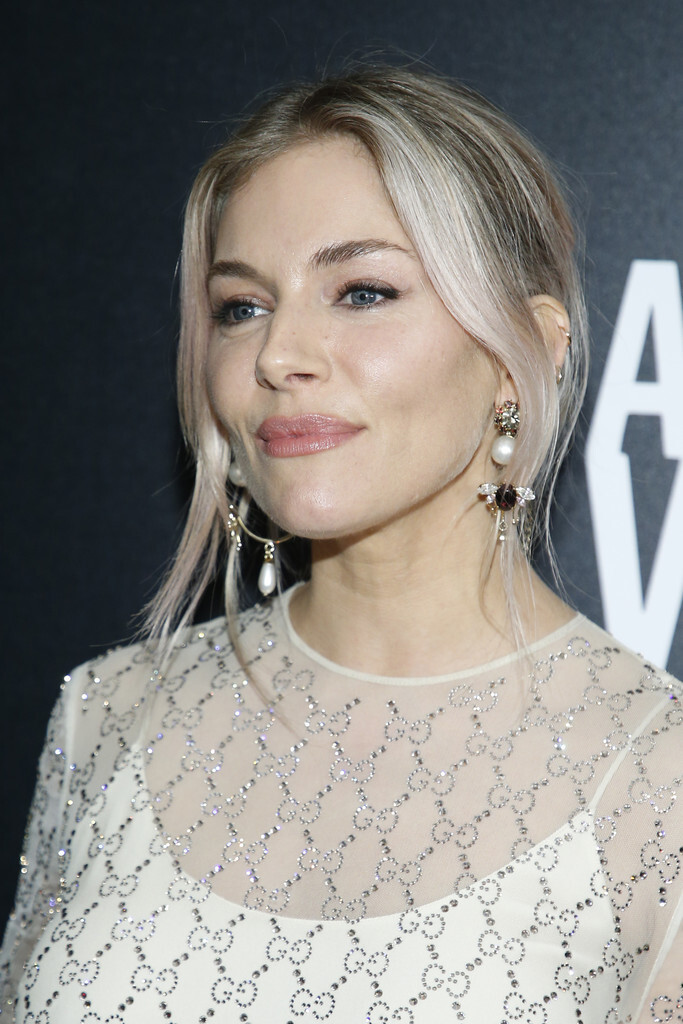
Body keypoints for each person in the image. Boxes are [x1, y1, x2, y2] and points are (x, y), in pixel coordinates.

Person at [1, 65, 681, 1023]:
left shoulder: (660, 780)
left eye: (361, 292)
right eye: (241, 307)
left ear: (521, 352)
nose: (278, 355)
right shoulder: (105, 717)